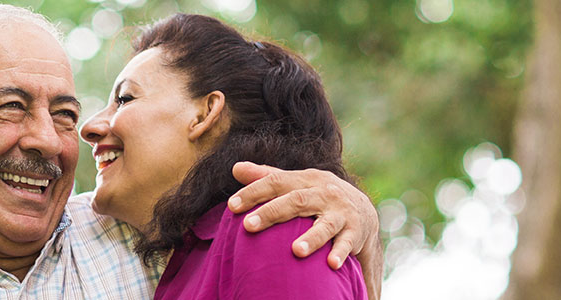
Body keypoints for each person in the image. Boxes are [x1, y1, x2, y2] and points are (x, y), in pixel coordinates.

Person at [0, 4, 380, 299]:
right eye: (11, 107)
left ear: (207, 114)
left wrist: (360, 225)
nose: (52, 138)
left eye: (64, 113)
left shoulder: (146, 234)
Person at [79, 14, 367, 299]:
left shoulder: (274, 227)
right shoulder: (191, 261)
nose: (89, 127)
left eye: (125, 99)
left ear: (205, 113)